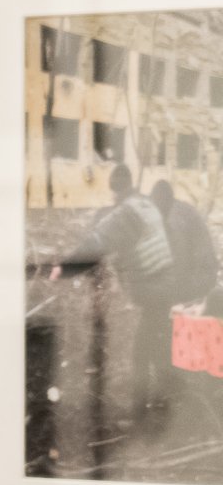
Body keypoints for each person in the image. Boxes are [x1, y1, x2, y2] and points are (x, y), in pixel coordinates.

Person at [54, 163, 177, 413]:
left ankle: (143, 412)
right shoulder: (145, 204)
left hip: (151, 287)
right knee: (156, 344)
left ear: (115, 190)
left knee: (142, 351)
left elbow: (98, 242)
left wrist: (64, 269)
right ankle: (162, 405)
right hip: (166, 282)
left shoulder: (126, 214)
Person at [151, 179, 220, 308]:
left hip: (198, 281)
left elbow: (182, 265)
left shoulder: (180, 221)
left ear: (169, 203)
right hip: (185, 280)